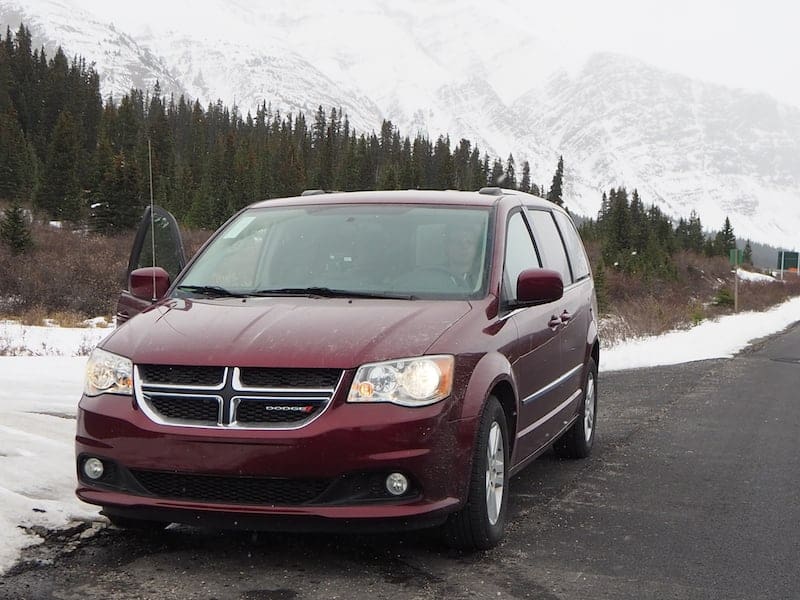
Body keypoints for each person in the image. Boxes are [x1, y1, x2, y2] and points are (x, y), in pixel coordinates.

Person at [443, 224, 481, 288]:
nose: (464, 246)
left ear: (475, 248)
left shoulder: (483, 279)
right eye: (458, 242)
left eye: (469, 242)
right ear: (447, 246)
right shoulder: (434, 276)